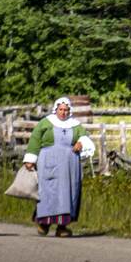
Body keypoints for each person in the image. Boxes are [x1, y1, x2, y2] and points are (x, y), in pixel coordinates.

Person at [23, 97, 95, 237]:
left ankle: (62, 227)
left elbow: (85, 137)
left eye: (66, 110)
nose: (63, 112)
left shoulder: (75, 125)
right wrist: (30, 158)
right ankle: (44, 224)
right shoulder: (46, 122)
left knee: (67, 194)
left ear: (70, 111)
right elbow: (35, 139)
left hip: (69, 165)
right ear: (56, 109)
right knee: (47, 192)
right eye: (61, 109)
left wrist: (81, 143)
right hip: (48, 162)